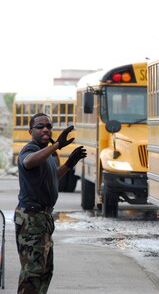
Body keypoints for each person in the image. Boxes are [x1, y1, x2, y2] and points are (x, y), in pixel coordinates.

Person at [14, 113, 86, 293]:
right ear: (31, 131)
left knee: (45, 271)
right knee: (32, 274)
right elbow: (29, 162)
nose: (45, 129)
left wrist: (69, 163)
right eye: (40, 127)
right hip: (31, 218)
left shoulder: (49, 156)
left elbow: (52, 177)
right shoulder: (29, 150)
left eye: (48, 126)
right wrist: (57, 145)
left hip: (43, 218)